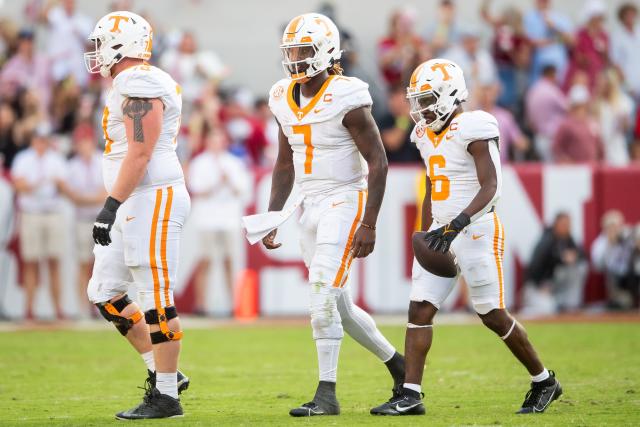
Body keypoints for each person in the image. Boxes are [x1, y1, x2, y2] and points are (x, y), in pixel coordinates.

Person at [371, 59, 562, 416]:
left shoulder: (474, 124)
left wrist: (456, 224)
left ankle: (543, 380)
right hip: (442, 230)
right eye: (418, 100)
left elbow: (492, 187)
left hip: (475, 230)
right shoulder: (425, 134)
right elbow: (431, 183)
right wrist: (428, 228)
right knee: (420, 306)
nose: (420, 108)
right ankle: (410, 394)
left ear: (449, 94)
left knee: (491, 313)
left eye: (427, 99)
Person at [245, 13, 405, 417]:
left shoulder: (346, 95)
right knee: (340, 305)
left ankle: (327, 393)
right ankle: (398, 366)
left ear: (327, 52)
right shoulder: (282, 94)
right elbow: (284, 164)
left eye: (304, 51)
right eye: (292, 51)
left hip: (344, 200)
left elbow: (378, 161)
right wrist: (272, 215)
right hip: (309, 204)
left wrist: (369, 222)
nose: (296, 59)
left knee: (320, 297)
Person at [83, 11, 190, 419]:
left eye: (100, 44)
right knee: (105, 291)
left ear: (120, 44)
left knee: (155, 294)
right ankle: (164, 372)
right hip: (135, 198)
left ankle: (166, 397)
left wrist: (109, 205)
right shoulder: (129, 83)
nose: (95, 53)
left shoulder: (138, 81)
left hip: (153, 196)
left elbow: (141, 151)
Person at [187, 128, 252, 316]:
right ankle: (201, 305)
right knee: (205, 260)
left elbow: (243, 191)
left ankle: (234, 304)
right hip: (207, 219)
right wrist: (218, 182)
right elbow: (197, 189)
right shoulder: (200, 163)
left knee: (229, 261)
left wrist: (228, 180)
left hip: (229, 218)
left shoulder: (234, 163)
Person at [10, 127, 67, 321]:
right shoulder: (23, 158)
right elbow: (19, 185)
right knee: (31, 263)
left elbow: (62, 185)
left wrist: (33, 185)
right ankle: (29, 309)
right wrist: (38, 184)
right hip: (32, 214)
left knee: (54, 262)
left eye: (44, 139)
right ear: (33, 140)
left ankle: (58, 309)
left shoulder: (56, 159)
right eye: (38, 139)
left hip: (52, 213)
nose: (41, 143)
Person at [57, 125, 106, 318]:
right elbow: (70, 194)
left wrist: (84, 198)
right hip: (81, 220)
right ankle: (83, 307)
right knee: (83, 263)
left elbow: (106, 193)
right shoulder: (71, 166)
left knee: (100, 265)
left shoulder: (102, 161)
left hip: (101, 220)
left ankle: (100, 306)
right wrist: (91, 198)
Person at [525, 212, 588, 313]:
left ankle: (570, 305)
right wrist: (540, 285)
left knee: (581, 267)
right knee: (547, 309)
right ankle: (526, 310)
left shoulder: (568, 239)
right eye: (563, 224)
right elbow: (534, 266)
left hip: (556, 286)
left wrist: (574, 256)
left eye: (568, 225)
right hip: (539, 287)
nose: (566, 227)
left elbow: (582, 255)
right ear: (556, 224)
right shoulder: (546, 240)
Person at [475, 78, 529, 162]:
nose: (486, 95)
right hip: (477, 165)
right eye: (484, 91)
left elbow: (519, 141)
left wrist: (525, 142)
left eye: (489, 91)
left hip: (501, 165)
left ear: (495, 94)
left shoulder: (505, 116)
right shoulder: (472, 116)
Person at [591, 210, 634, 309]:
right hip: (615, 277)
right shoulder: (600, 243)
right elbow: (597, 266)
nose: (613, 229)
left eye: (615, 226)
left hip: (632, 274)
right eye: (609, 226)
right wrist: (609, 245)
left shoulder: (629, 236)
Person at [564, 0, 609, 92]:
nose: (598, 21)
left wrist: (604, 53)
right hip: (580, 76)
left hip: (597, 77)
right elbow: (575, 54)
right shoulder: (580, 33)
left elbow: (606, 59)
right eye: (596, 18)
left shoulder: (604, 35)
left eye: (600, 18)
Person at [524, 0, 573, 83]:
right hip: (537, 70)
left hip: (559, 69)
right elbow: (526, 41)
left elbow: (570, 40)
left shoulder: (562, 18)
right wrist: (551, 41)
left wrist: (554, 27)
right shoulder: (528, 18)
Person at [378, 8, 429, 88]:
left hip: (414, 84)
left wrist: (417, 51)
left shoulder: (416, 41)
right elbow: (383, 63)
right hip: (393, 86)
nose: (404, 28)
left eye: (407, 25)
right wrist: (400, 46)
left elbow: (426, 60)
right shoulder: (386, 42)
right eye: (401, 25)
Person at [525, 64, 567, 161]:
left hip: (538, 138)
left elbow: (529, 119)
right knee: (553, 172)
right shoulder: (552, 90)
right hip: (552, 138)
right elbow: (567, 108)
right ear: (551, 74)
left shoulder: (532, 90)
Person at [552, 84, 603, 163]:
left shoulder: (592, 122)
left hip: (592, 167)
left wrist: (601, 160)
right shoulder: (566, 125)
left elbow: (599, 145)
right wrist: (565, 160)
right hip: (575, 171)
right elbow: (556, 147)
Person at [594, 69, 633, 166]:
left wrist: (624, 122)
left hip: (617, 152)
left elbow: (625, 128)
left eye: (603, 82)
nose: (600, 85)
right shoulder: (597, 103)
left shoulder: (624, 102)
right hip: (599, 153)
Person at [378, 84, 421, 163]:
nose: (399, 103)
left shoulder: (416, 119)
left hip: (418, 168)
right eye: (394, 98)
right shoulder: (385, 120)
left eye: (402, 100)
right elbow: (392, 143)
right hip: (396, 170)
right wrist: (404, 119)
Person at [611, 3, 640, 100]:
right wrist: (628, 86)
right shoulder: (617, 36)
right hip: (628, 88)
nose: (630, 17)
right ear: (622, 17)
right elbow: (616, 63)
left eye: (632, 14)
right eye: (627, 14)